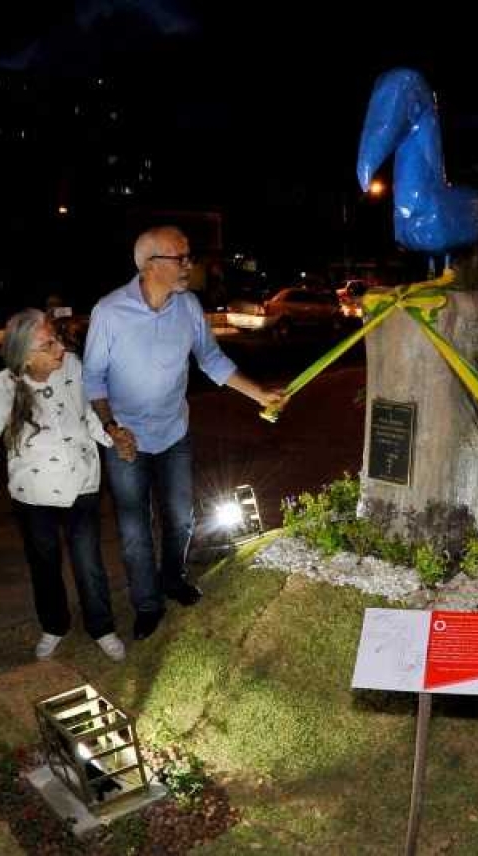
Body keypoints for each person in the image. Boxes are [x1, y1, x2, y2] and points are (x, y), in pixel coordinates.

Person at [83, 226, 283, 641]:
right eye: (182, 257)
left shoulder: (189, 306)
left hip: (174, 432)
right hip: (126, 441)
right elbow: (93, 379)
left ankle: (172, 578)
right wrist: (112, 428)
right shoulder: (110, 312)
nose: (190, 265)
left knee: (180, 518)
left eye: (189, 256)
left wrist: (259, 393)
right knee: (135, 530)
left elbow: (211, 359)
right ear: (150, 265)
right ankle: (147, 604)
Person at [0, 310, 123, 662]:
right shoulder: (5, 384)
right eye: (48, 344)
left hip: (82, 482)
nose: (60, 348)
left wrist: (114, 439)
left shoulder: (73, 367)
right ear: (25, 356)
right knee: (44, 564)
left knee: (88, 562)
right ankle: (54, 625)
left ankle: (101, 627)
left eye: (57, 339)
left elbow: (88, 414)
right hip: (33, 492)